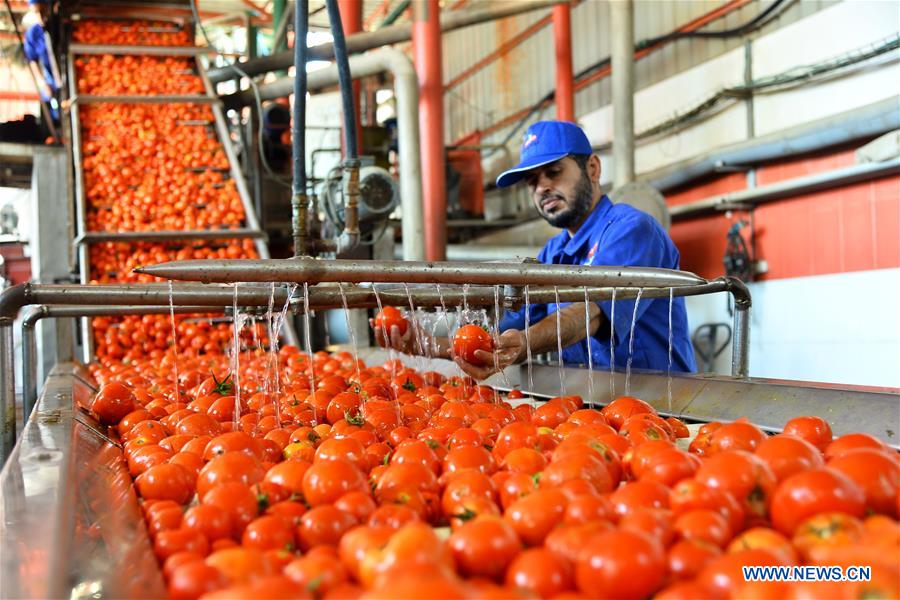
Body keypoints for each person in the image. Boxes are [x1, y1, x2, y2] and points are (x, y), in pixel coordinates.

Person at [373, 120, 696, 380]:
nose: (541, 187)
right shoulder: (553, 253)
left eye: (554, 172)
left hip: (657, 400)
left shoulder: (631, 229)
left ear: (593, 169)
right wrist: (422, 344)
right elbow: (498, 340)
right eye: (532, 181)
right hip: (588, 401)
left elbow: (590, 313)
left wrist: (525, 343)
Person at [22, 0, 60, 120]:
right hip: (53, 82)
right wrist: (43, 83)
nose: (40, 17)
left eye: (42, 11)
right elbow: (32, 60)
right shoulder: (33, 34)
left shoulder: (60, 26)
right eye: (36, 13)